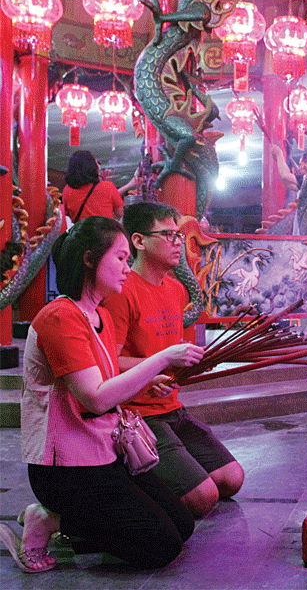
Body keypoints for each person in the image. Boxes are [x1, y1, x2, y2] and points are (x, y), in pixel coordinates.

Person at [0, 216, 203, 573]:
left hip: (104, 452)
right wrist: (161, 359)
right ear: (90, 259)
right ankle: (48, 519)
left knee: (182, 524)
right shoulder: (60, 317)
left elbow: (105, 376)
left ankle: (74, 525)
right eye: (121, 258)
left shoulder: (101, 316)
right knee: (161, 546)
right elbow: (94, 398)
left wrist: (147, 379)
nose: (127, 268)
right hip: (66, 469)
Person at [102, 202, 244, 518]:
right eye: (168, 235)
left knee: (232, 479)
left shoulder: (177, 290)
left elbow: (169, 348)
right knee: (204, 498)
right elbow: (108, 361)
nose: (178, 242)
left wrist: (188, 360)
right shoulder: (122, 292)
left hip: (172, 408)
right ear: (138, 241)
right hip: (138, 413)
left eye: (179, 235)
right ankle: (127, 474)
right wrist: (154, 369)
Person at [62, 150, 137, 222]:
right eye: (97, 163)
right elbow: (121, 214)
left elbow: (68, 214)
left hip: (80, 230)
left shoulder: (67, 190)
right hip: (104, 230)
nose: (99, 166)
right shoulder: (107, 186)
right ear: (92, 167)